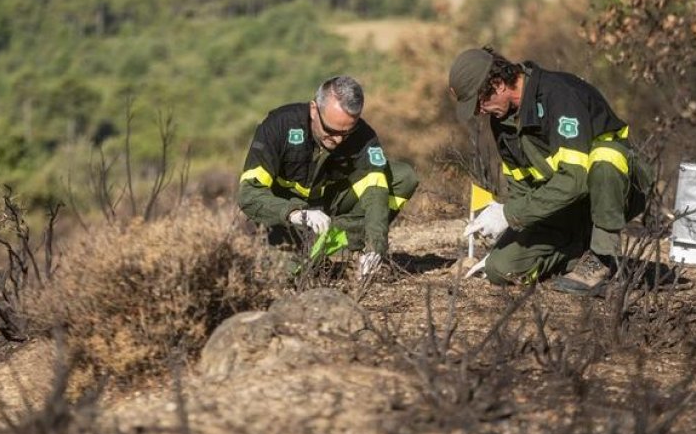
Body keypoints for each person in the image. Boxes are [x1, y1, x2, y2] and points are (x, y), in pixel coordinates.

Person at [448, 46, 658, 294]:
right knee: (500, 269)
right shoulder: (501, 121)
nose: (479, 112)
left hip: (617, 190)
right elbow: (520, 186)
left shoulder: (558, 96)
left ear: (498, 84)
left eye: (479, 103)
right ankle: (577, 251)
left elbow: (576, 180)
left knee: (605, 158)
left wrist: (509, 214)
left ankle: (602, 257)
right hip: (565, 208)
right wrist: (506, 234)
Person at [238, 75, 419, 278]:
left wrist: (375, 247)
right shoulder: (278, 126)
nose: (338, 140)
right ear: (314, 110)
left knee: (403, 177)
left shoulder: (362, 135)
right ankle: (302, 250)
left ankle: (332, 240)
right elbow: (249, 194)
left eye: (346, 133)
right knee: (285, 275)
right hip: (286, 218)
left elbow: (375, 194)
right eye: (331, 131)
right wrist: (295, 213)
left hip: (331, 212)